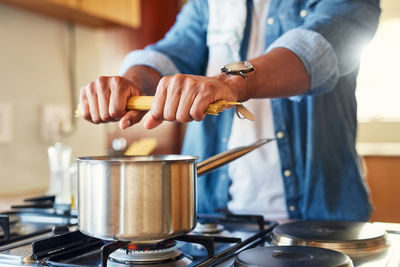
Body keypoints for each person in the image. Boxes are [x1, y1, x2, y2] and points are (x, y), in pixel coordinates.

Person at [79, 0, 381, 221]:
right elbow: (169, 53)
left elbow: (318, 51)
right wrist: (133, 79)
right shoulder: (207, 4)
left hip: (323, 222)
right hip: (215, 220)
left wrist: (234, 82)